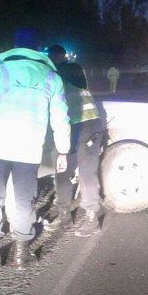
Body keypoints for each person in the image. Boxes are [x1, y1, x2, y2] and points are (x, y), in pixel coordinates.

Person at [0, 30, 70, 269]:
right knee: (24, 201)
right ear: (37, 49)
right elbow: (61, 118)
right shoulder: (52, 78)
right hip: (29, 150)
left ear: (15, 47)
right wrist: (63, 150)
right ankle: (21, 256)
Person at [47, 44, 106, 237]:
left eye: (50, 56)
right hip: (73, 127)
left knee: (86, 173)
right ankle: (64, 215)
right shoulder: (71, 70)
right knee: (62, 171)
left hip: (86, 125)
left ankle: (92, 219)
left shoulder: (65, 71)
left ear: (56, 57)